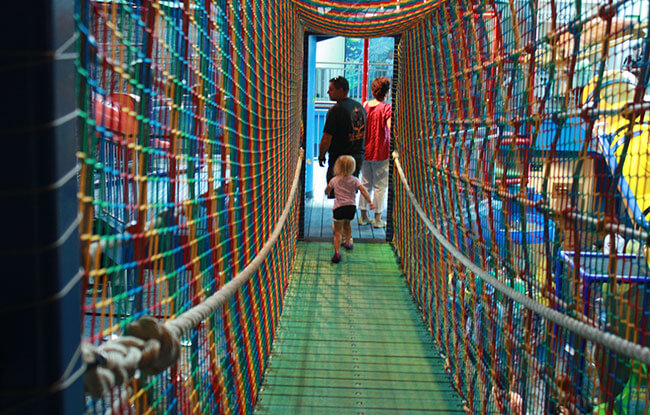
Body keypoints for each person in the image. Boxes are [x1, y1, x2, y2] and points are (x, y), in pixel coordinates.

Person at [318, 76, 366, 198]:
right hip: (356, 158)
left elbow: (327, 137)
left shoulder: (335, 110)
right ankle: (348, 216)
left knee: (337, 192)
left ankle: (339, 217)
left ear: (341, 90)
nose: (328, 92)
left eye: (331, 89)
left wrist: (322, 155)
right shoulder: (360, 107)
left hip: (340, 160)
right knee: (350, 193)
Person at [325, 156, 373, 264]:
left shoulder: (334, 180)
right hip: (350, 207)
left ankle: (337, 252)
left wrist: (327, 193)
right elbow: (363, 191)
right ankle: (347, 241)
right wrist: (370, 201)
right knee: (347, 224)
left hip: (339, 207)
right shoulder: (355, 180)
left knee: (337, 231)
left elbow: (327, 189)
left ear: (337, 167)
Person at [358, 77, 392, 227]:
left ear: (373, 91)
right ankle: (378, 219)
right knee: (380, 185)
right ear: (386, 92)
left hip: (365, 151)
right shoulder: (386, 108)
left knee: (365, 183)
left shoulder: (364, 105)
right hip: (381, 152)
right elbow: (390, 128)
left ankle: (363, 216)